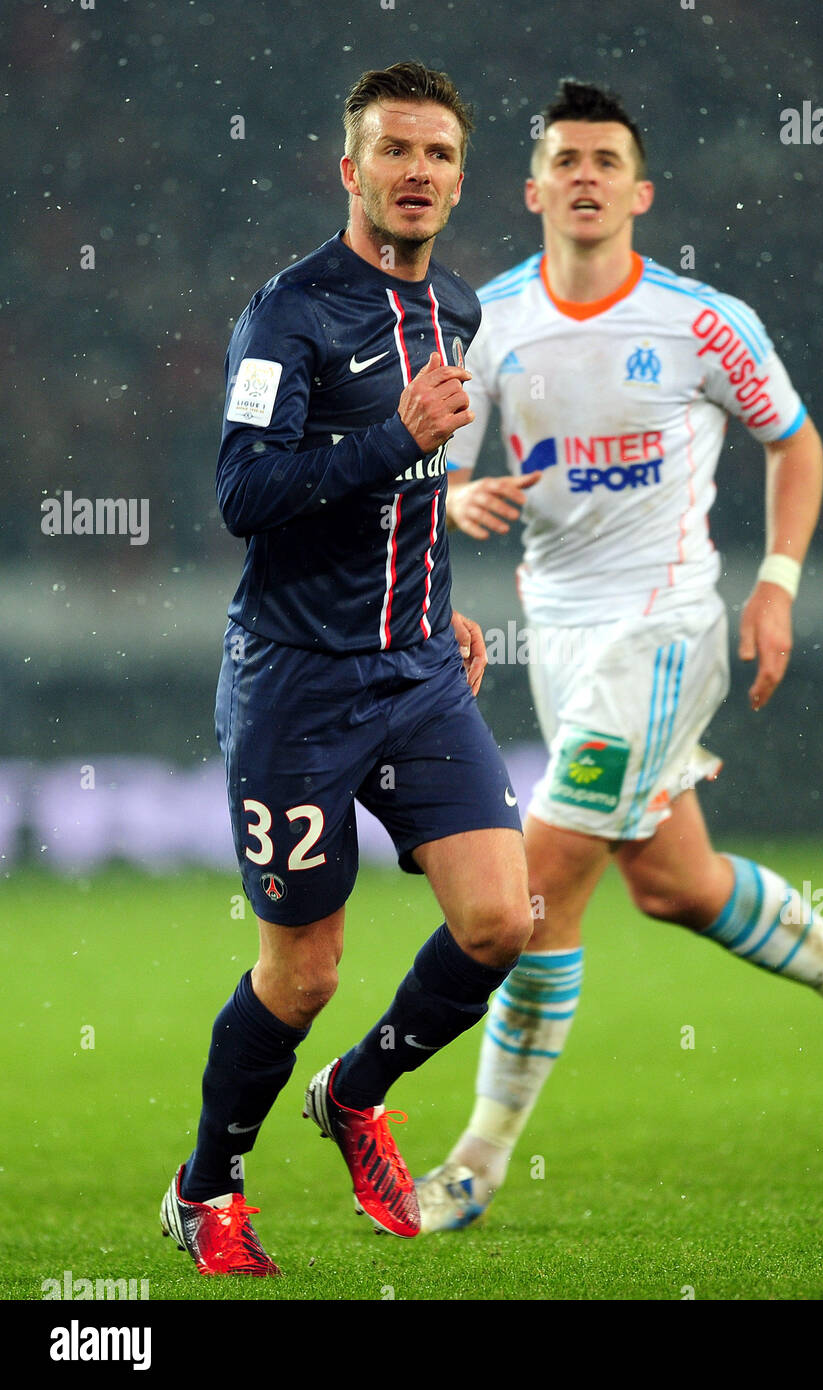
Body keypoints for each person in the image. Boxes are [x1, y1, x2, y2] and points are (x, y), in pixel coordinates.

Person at [416, 80, 823, 1233]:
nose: (588, 176)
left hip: (666, 632)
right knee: (674, 885)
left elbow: (794, 445)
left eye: (608, 160)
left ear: (640, 191)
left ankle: (475, 1160)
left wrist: (777, 584)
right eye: (567, 160)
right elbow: (434, 463)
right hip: (558, 636)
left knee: (537, 882)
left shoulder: (705, 320)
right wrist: (457, 496)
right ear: (534, 188)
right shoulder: (488, 320)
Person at [160, 62, 533, 1275]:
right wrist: (393, 436)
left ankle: (356, 1093)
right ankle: (206, 1186)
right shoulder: (291, 314)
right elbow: (241, 493)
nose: (416, 172)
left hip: (418, 667)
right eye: (394, 151)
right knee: (303, 973)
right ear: (351, 169)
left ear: (460, 181)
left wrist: (446, 606)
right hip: (298, 683)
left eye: (436, 155)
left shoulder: (459, 311)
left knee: (498, 922)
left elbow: (410, 504)